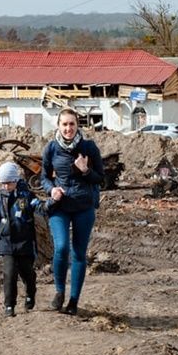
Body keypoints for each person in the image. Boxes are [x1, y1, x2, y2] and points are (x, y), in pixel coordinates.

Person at [41, 108, 104, 316]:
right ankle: (59, 291)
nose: (68, 128)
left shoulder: (88, 147)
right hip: (60, 206)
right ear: (58, 126)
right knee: (61, 249)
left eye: (72, 124)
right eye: (64, 124)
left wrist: (85, 170)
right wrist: (52, 189)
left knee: (78, 254)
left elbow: (101, 178)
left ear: (78, 126)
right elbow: (44, 178)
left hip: (83, 207)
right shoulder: (50, 149)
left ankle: (73, 301)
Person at [0, 161, 43, 317]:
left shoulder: (26, 196)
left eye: (9, 183)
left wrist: (50, 205)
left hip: (24, 242)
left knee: (27, 272)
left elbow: (38, 206)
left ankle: (31, 293)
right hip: (7, 243)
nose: (6, 186)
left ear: (16, 180)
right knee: (9, 273)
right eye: (3, 183)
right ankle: (9, 305)